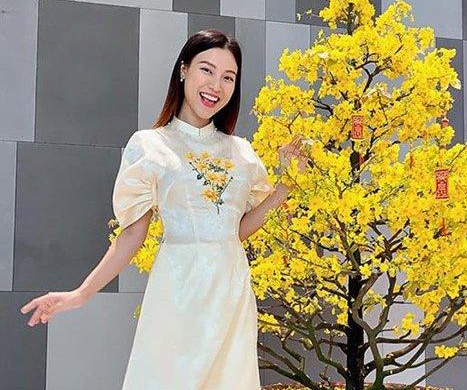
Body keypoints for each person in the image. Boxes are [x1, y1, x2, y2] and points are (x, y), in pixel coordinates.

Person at [20, 29, 308, 389]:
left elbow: (235, 232)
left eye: (228, 77)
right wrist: (80, 294)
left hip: (231, 292)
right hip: (178, 292)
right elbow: (133, 234)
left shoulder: (242, 153)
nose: (216, 85)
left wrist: (287, 185)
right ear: (184, 70)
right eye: (207, 70)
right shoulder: (150, 146)